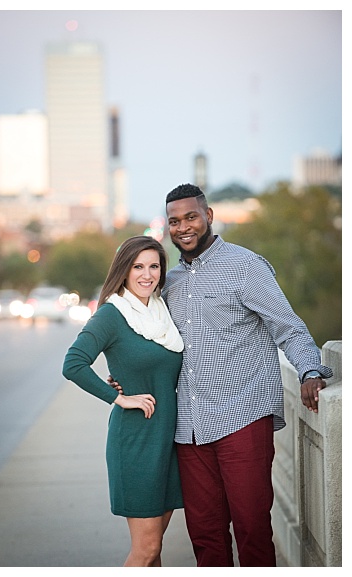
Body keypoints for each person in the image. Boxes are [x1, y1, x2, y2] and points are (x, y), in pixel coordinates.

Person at [160, 183, 331, 566]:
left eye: (190, 217)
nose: (183, 227)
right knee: (205, 537)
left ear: (208, 216)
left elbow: (287, 327)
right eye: (174, 221)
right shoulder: (168, 282)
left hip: (242, 416)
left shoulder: (246, 266)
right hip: (188, 426)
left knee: (252, 529)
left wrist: (309, 369)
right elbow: (154, 345)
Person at [62, 235, 185, 566]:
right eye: (138, 267)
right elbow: (73, 364)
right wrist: (119, 398)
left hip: (169, 442)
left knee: (155, 551)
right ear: (124, 271)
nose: (147, 275)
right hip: (135, 442)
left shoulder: (163, 312)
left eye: (154, 266)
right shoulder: (112, 315)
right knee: (144, 550)